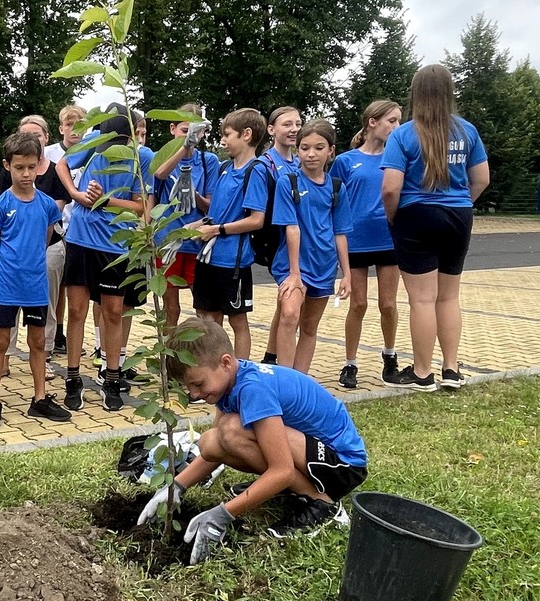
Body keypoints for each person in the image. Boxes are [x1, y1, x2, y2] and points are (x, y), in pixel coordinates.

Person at [136, 316, 368, 564]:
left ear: (225, 362)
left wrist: (223, 514)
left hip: (341, 465)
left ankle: (322, 505)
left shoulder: (253, 389)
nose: (194, 394)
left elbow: (282, 470)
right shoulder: (230, 382)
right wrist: (176, 487)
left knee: (232, 430)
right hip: (313, 456)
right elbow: (216, 450)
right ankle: (295, 493)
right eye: (188, 388)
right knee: (211, 441)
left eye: (198, 384)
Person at [382, 64, 490, 391]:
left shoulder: (403, 134)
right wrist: (459, 203)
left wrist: (393, 217)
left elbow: (390, 188)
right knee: (449, 297)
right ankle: (452, 369)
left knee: (422, 300)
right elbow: (482, 179)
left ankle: (422, 371)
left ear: (416, 93)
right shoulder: (467, 131)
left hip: (416, 215)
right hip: (459, 216)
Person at [58, 104, 151, 413]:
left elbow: (140, 208)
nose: (109, 146)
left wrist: (106, 200)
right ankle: (73, 379)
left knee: (113, 312)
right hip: (81, 240)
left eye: (116, 140)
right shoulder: (95, 142)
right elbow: (61, 165)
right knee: (77, 312)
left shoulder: (140, 156)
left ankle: (112, 378)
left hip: (116, 245)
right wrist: (75, 193)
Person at [0, 133, 72, 429]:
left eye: (32, 167)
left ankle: (40, 399)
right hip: (6, 287)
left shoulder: (47, 205)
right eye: (20, 167)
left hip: (35, 287)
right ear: (8, 166)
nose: (26, 173)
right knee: (1, 342)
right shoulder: (0, 205)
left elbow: (44, 241)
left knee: (37, 343)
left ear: (38, 165)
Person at [269, 119, 353, 374]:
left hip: (324, 265)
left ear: (331, 151)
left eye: (318, 147)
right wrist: (294, 274)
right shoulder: (289, 182)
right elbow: (291, 228)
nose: (311, 154)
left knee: (310, 327)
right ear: (298, 150)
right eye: (304, 148)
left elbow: (340, 232)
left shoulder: (337, 187)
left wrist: (347, 273)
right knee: (290, 314)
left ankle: (300, 381)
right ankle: (285, 380)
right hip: (292, 265)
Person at [189, 108, 272, 362]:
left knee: (237, 320)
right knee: (207, 318)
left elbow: (257, 220)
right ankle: (213, 369)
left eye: (227, 134)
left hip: (233, 262)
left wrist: (216, 230)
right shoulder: (225, 167)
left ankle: (240, 373)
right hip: (208, 257)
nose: (222, 140)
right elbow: (214, 213)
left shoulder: (256, 170)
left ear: (246, 135)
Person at [333, 100, 403, 388]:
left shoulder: (398, 159)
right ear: (372, 122)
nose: (397, 127)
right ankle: (350, 364)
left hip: (389, 239)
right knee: (358, 304)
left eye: (399, 121)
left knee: (387, 304)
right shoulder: (346, 161)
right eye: (392, 120)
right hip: (356, 241)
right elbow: (334, 203)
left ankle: (390, 356)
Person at [0, 115, 71, 381]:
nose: (31, 139)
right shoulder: (11, 174)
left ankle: (45, 355)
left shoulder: (54, 170)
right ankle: (3, 356)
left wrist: (36, 232)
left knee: (46, 305)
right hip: (14, 255)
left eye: (36, 135)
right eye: (25, 134)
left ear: (45, 139)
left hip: (45, 249)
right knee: (6, 314)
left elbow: (53, 215)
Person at [153, 103, 219, 328]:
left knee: (202, 306)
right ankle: (170, 358)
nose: (191, 136)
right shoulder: (162, 155)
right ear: (173, 129)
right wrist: (183, 147)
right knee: (171, 307)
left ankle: (204, 356)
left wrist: (194, 193)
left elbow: (211, 206)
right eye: (185, 131)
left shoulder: (208, 161)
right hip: (168, 240)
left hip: (195, 240)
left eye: (195, 132)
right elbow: (159, 174)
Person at [259, 106, 302, 365]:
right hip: (276, 241)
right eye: (287, 124)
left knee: (283, 302)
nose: (294, 129)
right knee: (289, 306)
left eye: (297, 123)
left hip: (299, 240)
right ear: (272, 130)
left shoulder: (300, 162)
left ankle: (271, 356)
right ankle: (285, 368)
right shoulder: (266, 165)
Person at [44, 104, 87, 355]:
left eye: (80, 125)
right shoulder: (49, 155)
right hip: (57, 228)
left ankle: (73, 335)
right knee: (55, 286)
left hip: (81, 230)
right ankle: (56, 332)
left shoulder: (93, 152)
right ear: (61, 128)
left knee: (77, 290)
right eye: (69, 125)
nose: (74, 130)